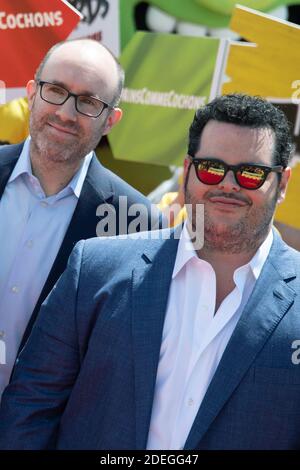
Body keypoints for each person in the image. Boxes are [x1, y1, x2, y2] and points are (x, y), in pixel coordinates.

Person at [1, 93, 300, 450]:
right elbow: (31, 406)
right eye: (211, 168)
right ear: (188, 171)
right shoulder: (95, 270)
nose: (228, 184)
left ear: (282, 183)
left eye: (251, 173)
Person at [0, 38, 160, 400]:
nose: (66, 113)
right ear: (31, 92)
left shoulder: (136, 223)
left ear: (110, 120)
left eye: (88, 102)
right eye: (55, 91)